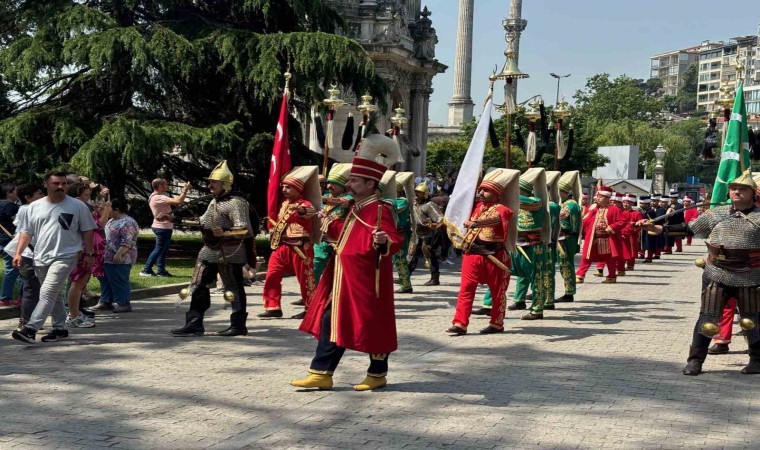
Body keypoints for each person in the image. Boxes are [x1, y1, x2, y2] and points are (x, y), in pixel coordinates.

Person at [291, 134, 402, 391]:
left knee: (373, 324)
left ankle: (377, 374)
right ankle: (321, 373)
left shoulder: (379, 209)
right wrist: (318, 217)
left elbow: (393, 239)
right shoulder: (356, 206)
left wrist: (383, 241)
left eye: (354, 180)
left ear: (370, 183)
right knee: (331, 320)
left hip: (367, 279)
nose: (348, 184)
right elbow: (341, 231)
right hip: (343, 277)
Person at [637, 170, 760, 376]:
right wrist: (658, 228)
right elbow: (689, 229)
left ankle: (757, 360)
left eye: (742, 189)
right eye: (733, 189)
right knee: (708, 317)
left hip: (750, 274)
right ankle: (695, 361)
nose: (737, 192)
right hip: (717, 272)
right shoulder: (716, 214)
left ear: (752, 192)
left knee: (752, 319)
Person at [171, 161, 256, 337]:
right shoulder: (215, 201)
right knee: (199, 285)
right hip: (209, 250)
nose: (209, 186)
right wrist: (177, 220)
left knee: (232, 287)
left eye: (213, 182)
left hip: (230, 252)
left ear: (225, 184)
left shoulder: (236, 203)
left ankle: (238, 325)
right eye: (209, 182)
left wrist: (225, 231)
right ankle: (194, 323)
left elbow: (245, 229)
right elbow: (204, 221)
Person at [11, 171, 97, 344]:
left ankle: (30, 329)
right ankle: (59, 329)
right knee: (54, 294)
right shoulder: (34, 207)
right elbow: (26, 232)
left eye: (64, 183)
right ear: (46, 185)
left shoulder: (78, 206)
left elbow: (88, 230)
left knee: (47, 291)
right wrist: (18, 252)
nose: (60, 187)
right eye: (56, 183)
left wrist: (89, 253)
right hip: (41, 256)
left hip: (66, 255)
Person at [447, 168, 518, 335]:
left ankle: (496, 324)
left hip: (495, 256)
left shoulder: (502, 209)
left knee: (498, 292)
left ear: (495, 193)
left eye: (485, 190)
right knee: (466, 289)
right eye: (480, 189)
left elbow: (498, 219)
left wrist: (476, 224)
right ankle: (460, 323)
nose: (481, 193)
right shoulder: (477, 207)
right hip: (472, 254)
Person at [260, 166, 320, 319]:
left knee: (306, 278)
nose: (284, 189)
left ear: (298, 189)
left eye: (288, 187)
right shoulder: (284, 204)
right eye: (284, 187)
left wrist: (300, 211)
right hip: (282, 245)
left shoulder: (304, 203)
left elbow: (311, 212)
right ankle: (272, 307)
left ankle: (310, 309)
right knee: (272, 274)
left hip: (300, 246)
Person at [506, 168, 551, 320]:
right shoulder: (512, 203)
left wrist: (508, 192)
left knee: (537, 278)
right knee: (503, 274)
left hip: (534, 246)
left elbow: (527, 203)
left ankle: (537, 309)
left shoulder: (535, 201)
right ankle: (490, 306)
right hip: (516, 245)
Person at [65, 183, 111, 325]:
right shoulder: (79, 208)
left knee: (81, 283)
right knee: (78, 283)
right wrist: (107, 209)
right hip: (84, 250)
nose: (88, 198)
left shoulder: (79, 208)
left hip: (86, 249)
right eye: (86, 195)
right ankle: (73, 315)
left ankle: (75, 312)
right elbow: (99, 225)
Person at [3, 183, 43, 328]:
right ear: (28, 197)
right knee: (31, 288)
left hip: (36, 252)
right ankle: (26, 321)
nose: (41, 196)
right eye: (38, 193)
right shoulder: (27, 210)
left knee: (35, 288)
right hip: (28, 252)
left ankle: (32, 319)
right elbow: (24, 233)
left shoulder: (30, 209)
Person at [140, 178, 191, 277]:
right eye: (165, 185)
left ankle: (161, 270)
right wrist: (185, 190)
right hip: (162, 227)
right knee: (159, 249)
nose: (167, 186)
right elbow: (178, 201)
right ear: (160, 186)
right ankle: (146, 270)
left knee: (162, 249)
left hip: (164, 227)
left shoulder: (155, 196)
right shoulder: (159, 197)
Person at [575, 185, 625, 284]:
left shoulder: (614, 209)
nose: (597, 198)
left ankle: (611, 276)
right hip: (593, 238)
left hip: (607, 238)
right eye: (597, 196)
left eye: (600, 196)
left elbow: (622, 221)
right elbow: (585, 221)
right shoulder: (594, 209)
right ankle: (580, 275)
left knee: (609, 259)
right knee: (586, 256)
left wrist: (611, 227)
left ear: (607, 198)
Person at [97, 198, 139, 312]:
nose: (104, 210)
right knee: (105, 280)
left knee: (119, 280)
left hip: (122, 258)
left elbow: (128, 241)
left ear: (116, 209)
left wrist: (119, 254)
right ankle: (105, 301)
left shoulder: (127, 222)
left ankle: (123, 303)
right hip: (107, 257)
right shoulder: (111, 221)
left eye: (107, 208)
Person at [313, 163, 351, 283]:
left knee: (339, 268)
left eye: (333, 184)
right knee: (315, 263)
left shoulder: (350, 198)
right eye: (328, 183)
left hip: (339, 239)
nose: (329, 186)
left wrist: (317, 197)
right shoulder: (326, 196)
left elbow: (340, 202)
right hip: (322, 237)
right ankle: (310, 294)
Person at [555, 171, 582, 303]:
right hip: (565, 237)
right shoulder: (569, 203)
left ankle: (569, 292)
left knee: (566, 264)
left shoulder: (569, 205)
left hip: (565, 238)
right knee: (564, 264)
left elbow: (566, 225)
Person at [389, 171, 415, 294]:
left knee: (400, 260)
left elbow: (393, 209)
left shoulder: (402, 201)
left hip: (399, 234)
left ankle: (406, 286)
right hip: (389, 233)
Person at [412, 182, 443, 286]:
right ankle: (405, 278)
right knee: (411, 254)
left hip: (427, 234)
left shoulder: (430, 205)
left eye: (419, 192)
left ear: (425, 193)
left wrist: (434, 225)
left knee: (429, 256)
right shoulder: (415, 204)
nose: (416, 194)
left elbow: (440, 218)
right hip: (416, 234)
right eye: (416, 192)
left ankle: (435, 278)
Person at [0, 182, 20, 306]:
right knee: (13, 270)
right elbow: (19, 223)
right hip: (10, 242)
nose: (17, 194)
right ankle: (5, 298)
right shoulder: (9, 206)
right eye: (15, 191)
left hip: (1, 241)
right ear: (9, 193)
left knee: (14, 269)